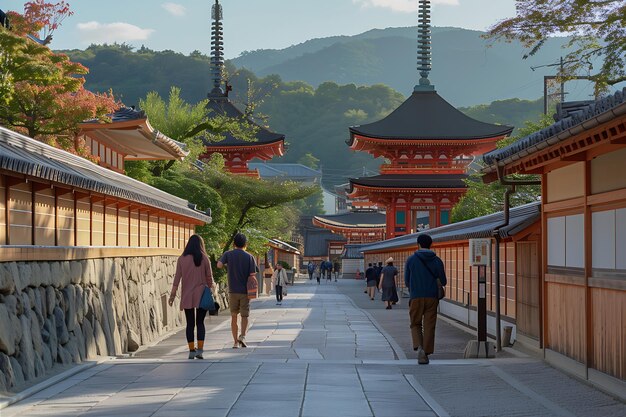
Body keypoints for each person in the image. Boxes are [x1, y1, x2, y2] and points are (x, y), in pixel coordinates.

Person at [168, 235, 214, 359]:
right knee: (200, 322)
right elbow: (209, 278)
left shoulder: (182, 259)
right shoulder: (204, 258)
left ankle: (191, 350)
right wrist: (212, 290)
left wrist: (172, 295)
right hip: (202, 295)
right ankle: (200, 350)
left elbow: (177, 278)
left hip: (187, 295)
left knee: (190, 324)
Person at [404, 234, 447, 365]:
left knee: (415, 323)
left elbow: (406, 281)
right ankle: (426, 352)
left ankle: (420, 348)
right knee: (429, 325)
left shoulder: (411, 260)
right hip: (432, 297)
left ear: (418, 244)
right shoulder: (437, 260)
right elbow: (444, 281)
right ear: (431, 245)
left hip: (416, 296)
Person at [217, 233, 257, 349]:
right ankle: (243, 336)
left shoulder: (228, 254)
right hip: (245, 292)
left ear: (234, 243)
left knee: (234, 316)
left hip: (232, 290)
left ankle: (235, 342)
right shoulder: (249, 257)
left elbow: (219, 265)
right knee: (245, 316)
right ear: (245, 244)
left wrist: (228, 266)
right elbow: (252, 275)